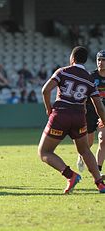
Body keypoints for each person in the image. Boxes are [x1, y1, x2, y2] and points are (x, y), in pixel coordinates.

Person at [38, 46, 105, 194]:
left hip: (61, 115)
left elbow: (45, 90)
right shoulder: (89, 78)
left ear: (72, 58)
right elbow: (98, 105)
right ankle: (100, 183)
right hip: (80, 117)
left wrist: (48, 108)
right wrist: (104, 120)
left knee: (44, 152)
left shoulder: (63, 71)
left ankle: (71, 175)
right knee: (85, 150)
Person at [77, 50, 105, 174]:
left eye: (103, 60)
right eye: (99, 60)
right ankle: (81, 156)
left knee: (103, 139)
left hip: (104, 113)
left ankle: (98, 170)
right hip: (90, 111)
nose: (101, 63)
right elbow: (83, 95)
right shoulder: (91, 76)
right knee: (88, 142)